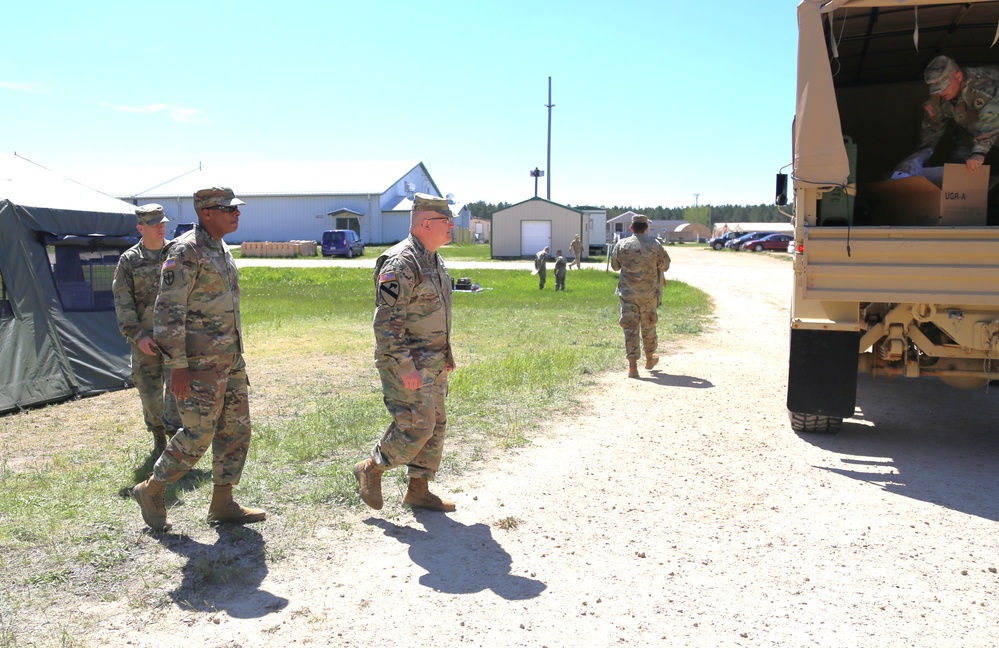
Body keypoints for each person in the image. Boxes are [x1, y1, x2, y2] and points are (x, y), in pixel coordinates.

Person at [132, 187, 265, 532]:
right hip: (197, 364)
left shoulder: (220, 248)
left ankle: (223, 502)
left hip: (230, 359)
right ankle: (152, 489)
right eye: (228, 210)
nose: (237, 214)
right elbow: (167, 312)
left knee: (236, 430)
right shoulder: (185, 251)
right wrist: (176, 365)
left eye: (237, 209)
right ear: (207, 212)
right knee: (198, 434)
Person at [354, 193, 457, 512]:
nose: (452, 226)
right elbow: (386, 323)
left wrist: (445, 358)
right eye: (446, 221)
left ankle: (418, 490)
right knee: (417, 425)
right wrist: (406, 368)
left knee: (435, 424)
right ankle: (371, 468)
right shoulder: (401, 262)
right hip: (407, 363)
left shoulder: (433, 258)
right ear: (426, 223)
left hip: (433, 362)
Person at [112, 203, 182, 455]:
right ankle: (158, 438)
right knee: (150, 393)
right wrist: (137, 336)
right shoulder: (129, 260)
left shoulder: (177, 253)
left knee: (177, 391)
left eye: (163, 222)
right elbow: (123, 301)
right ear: (140, 228)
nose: (161, 227)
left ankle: (177, 443)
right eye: (154, 224)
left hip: (176, 338)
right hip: (146, 341)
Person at [895, 55, 999, 177]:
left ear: (958, 77)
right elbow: (932, 130)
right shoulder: (940, 97)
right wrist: (919, 157)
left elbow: (993, 114)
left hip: (992, 121)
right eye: (935, 90)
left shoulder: (980, 85)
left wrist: (979, 152)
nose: (939, 93)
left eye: (942, 88)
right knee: (959, 169)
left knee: (974, 156)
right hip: (972, 129)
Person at [610, 214, 671, 378]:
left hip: (628, 295)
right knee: (649, 325)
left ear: (631, 228)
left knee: (630, 328)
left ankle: (632, 367)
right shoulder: (655, 245)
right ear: (646, 228)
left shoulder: (622, 245)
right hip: (649, 295)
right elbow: (665, 266)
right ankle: (650, 358)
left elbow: (615, 266)